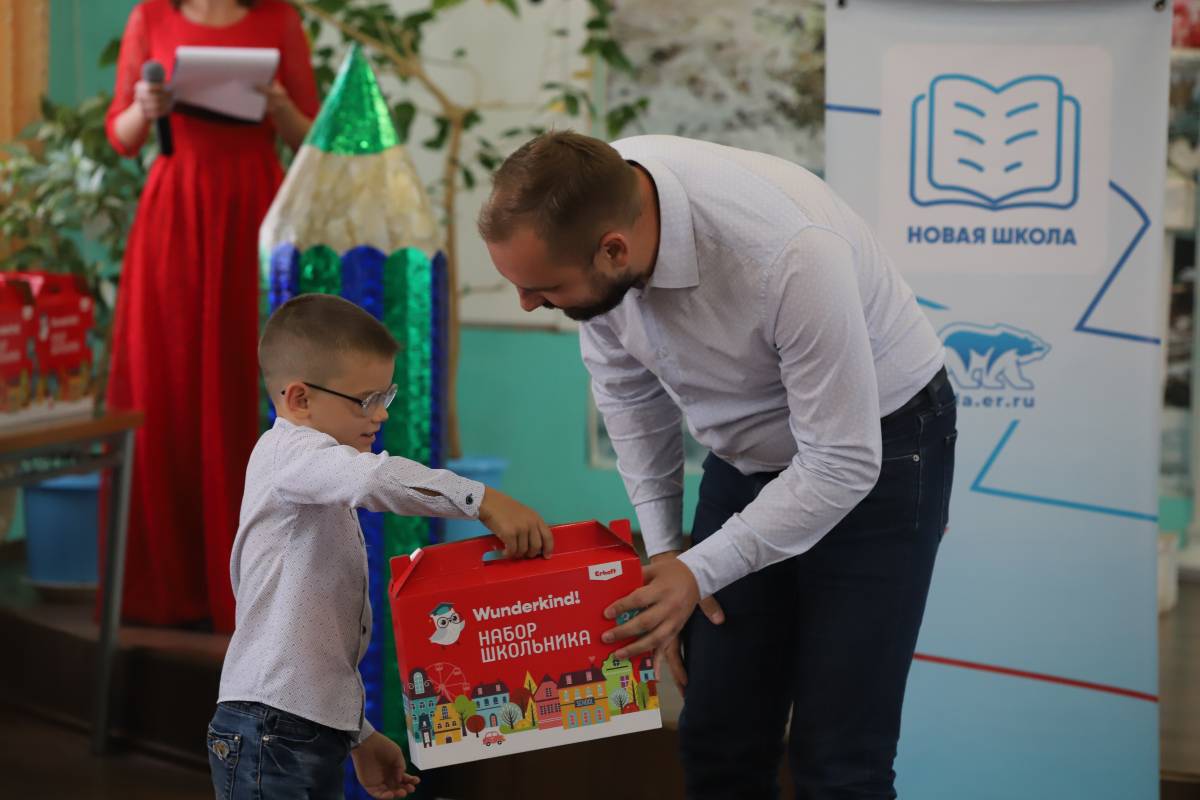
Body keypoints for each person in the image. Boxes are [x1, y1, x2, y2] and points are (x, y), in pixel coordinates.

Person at [478, 131, 957, 799]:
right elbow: (631, 399)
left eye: (543, 288)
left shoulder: (790, 251)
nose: (528, 304)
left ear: (614, 249)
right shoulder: (583, 202)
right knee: (718, 736)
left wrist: (698, 571)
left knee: (840, 760)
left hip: (880, 447)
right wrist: (667, 555)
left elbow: (841, 463)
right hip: (747, 454)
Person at [209, 294, 553, 799]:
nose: (382, 414)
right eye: (366, 399)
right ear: (300, 399)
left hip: (293, 726)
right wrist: (480, 500)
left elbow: (311, 647)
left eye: (385, 396)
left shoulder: (310, 473)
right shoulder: (291, 454)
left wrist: (359, 734)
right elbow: (374, 478)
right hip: (270, 729)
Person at [104, 0, 319, 631]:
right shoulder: (151, 15)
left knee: (245, 384)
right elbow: (121, 136)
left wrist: (279, 105)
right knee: (165, 385)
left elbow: (310, 139)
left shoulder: (280, 18)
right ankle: (167, 586)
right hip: (175, 211)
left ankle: (254, 588)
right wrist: (144, 108)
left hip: (253, 208)